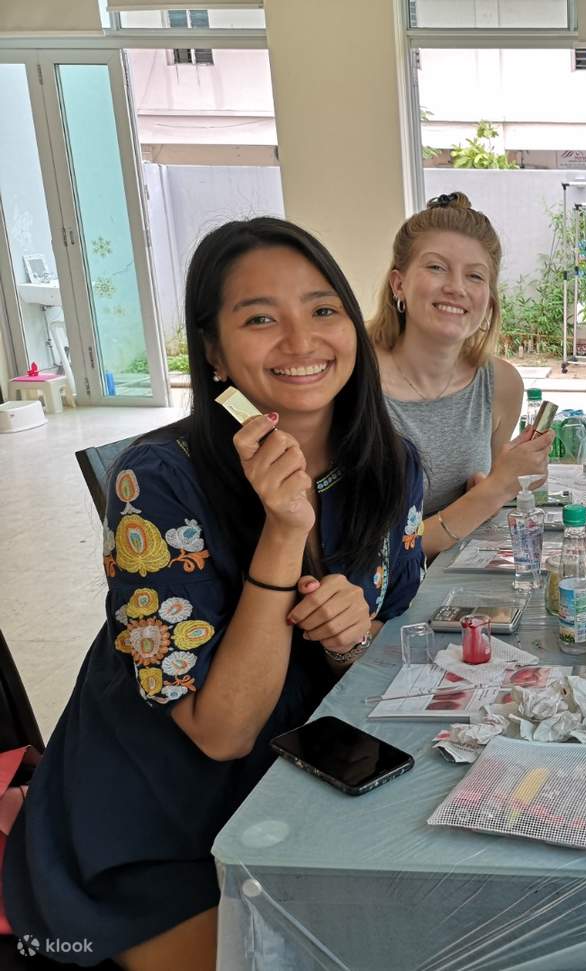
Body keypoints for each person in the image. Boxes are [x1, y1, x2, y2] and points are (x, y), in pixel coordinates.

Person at [2, 218, 425, 968]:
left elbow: (387, 664)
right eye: (260, 318)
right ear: (213, 350)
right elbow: (220, 730)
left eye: (322, 309)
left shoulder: (392, 466)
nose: (301, 341)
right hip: (155, 829)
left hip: (303, 795)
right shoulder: (159, 481)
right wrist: (283, 528)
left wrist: (352, 640)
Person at [369, 192, 553, 558]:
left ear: (488, 298)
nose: (456, 287)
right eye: (436, 267)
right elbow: (371, 555)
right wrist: (497, 489)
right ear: (398, 284)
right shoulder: (352, 379)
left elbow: (478, 500)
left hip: (458, 586)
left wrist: (493, 486)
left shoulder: (501, 385)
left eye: (475, 275)